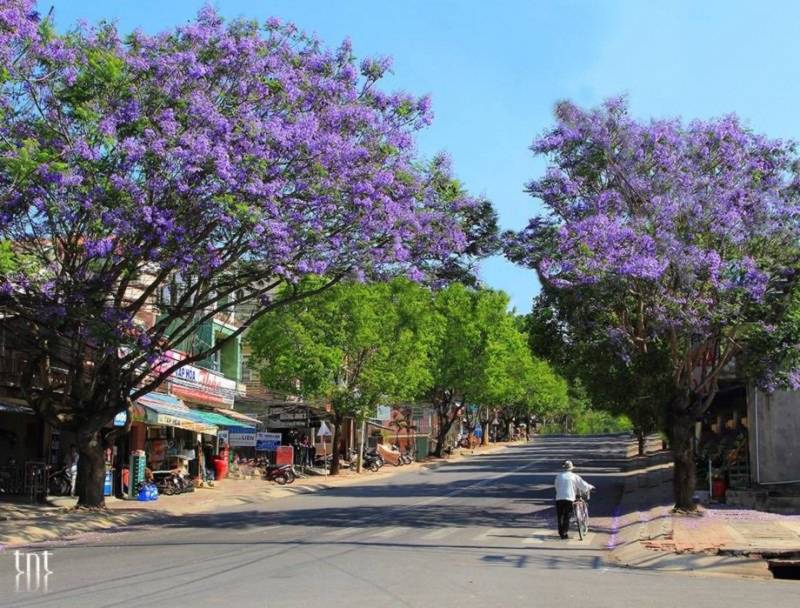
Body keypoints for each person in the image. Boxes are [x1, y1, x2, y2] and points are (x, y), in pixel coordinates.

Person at [554, 460, 595, 539]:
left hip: (559, 498)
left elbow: (556, 487)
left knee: (560, 516)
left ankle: (561, 532)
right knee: (567, 516)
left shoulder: (559, 476)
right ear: (571, 468)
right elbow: (583, 485)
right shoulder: (574, 476)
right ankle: (564, 532)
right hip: (569, 498)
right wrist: (590, 487)